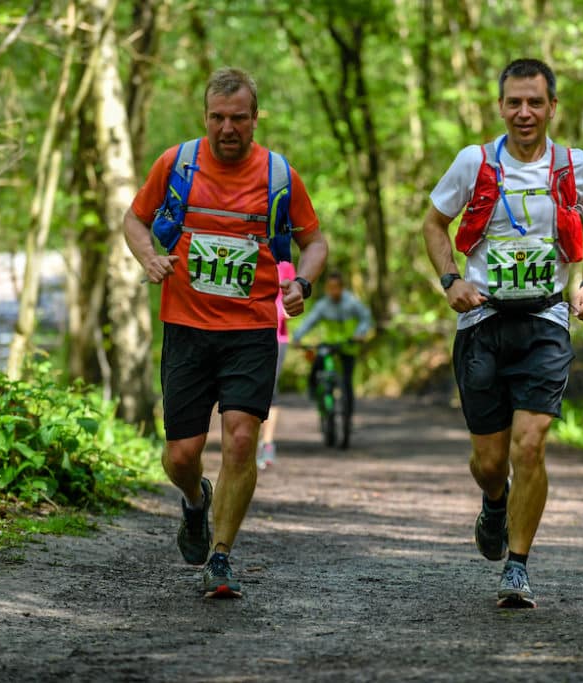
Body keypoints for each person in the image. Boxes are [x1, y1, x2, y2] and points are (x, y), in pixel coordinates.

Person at [123, 67, 327, 599]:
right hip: (187, 328)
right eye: (218, 117)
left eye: (239, 117)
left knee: (240, 439)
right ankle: (195, 500)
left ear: (255, 118)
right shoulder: (177, 163)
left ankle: (221, 555)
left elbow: (315, 241)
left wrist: (303, 281)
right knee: (181, 456)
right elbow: (134, 220)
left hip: (252, 329)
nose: (228, 128)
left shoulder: (279, 175)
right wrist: (148, 256)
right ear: (205, 117)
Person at [421, 58, 583, 608]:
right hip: (482, 323)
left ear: (552, 106)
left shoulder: (574, 166)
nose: (523, 112)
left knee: (530, 446)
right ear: (500, 106)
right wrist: (450, 279)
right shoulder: (473, 162)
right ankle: (495, 503)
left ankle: (518, 567)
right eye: (513, 102)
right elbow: (434, 224)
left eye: (534, 102)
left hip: (546, 321)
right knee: (489, 462)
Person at [291, 271, 373, 424]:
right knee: (317, 365)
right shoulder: (323, 305)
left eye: (336, 287)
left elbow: (365, 318)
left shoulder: (352, 303)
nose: (333, 291)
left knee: (347, 382)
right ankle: (314, 391)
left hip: (348, 346)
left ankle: (348, 416)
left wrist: (360, 333)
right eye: (330, 287)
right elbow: (309, 321)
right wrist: (297, 337)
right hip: (328, 346)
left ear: (342, 288)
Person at [256, 260, 296, 470]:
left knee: (271, 389)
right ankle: (246, 443)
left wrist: (287, 308)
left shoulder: (285, 264)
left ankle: (268, 443)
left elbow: (292, 296)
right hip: (249, 333)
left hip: (277, 337)